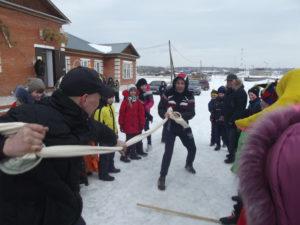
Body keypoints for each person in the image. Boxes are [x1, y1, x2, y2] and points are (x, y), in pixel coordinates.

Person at [0, 67, 125, 225]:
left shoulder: (78, 120)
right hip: (27, 216)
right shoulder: (31, 115)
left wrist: (116, 141)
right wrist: (6, 145)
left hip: (64, 211)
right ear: (84, 99)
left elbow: (95, 129)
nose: (100, 101)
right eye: (99, 96)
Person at [157, 72, 197, 191]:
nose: (180, 85)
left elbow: (192, 112)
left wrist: (179, 116)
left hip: (184, 127)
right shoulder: (168, 93)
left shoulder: (189, 96)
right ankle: (162, 176)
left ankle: (189, 164)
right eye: (178, 83)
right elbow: (160, 108)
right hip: (170, 128)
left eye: (182, 83)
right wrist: (164, 113)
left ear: (186, 84)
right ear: (174, 83)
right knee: (168, 152)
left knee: (192, 148)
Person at [94, 87, 121, 181]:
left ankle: (110, 167)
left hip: (112, 135)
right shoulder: (100, 109)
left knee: (111, 154)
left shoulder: (111, 107)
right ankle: (103, 174)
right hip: (104, 138)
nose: (112, 99)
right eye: (110, 97)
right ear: (104, 97)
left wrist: (116, 132)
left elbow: (113, 121)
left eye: (113, 97)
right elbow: (97, 125)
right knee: (105, 156)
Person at [223, 74, 247, 164]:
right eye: (227, 81)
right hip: (227, 119)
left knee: (233, 139)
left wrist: (232, 120)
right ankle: (231, 153)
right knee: (228, 139)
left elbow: (240, 109)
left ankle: (232, 157)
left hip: (234, 121)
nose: (228, 82)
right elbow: (227, 104)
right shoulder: (231, 90)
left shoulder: (241, 92)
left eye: (230, 81)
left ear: (235, 81)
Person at [119, 84, 145, 162]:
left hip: (136, 125)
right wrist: (121, 124)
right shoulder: (125, 101)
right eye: (131, 91)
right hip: (127, 125)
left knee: (134, 140)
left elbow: (141, 113)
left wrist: (142, 123)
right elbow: (122, 113)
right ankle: (124, 155)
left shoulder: (138, 101)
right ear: (129, 92)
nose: (133, 92)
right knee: (128, 140)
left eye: (134, 91)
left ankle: (133, 154)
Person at [136, 78, 154, 153]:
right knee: (138, 131)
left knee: (147, 129)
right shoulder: (136, 92)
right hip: (137, 114)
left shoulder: (148, 91)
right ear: (139, 86)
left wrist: (147, 107)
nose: (144, 87)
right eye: (142, 86)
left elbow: (152, 102)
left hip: (146, 113)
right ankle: (138, 146)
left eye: (145, 85)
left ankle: (149, 143)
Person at [212, 86, 227, 151]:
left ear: (224, 94)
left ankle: (225, 143)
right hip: (216, 120)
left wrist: (224, 116)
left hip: (224, 121)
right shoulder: (215, 100)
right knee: (217, 133)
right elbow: (213, 110)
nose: (221, 95)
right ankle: (218, 145)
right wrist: (212, 117)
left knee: (224, 134)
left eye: (222, 94)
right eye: (220, 93)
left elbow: (228, 110)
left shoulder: (227, 100)